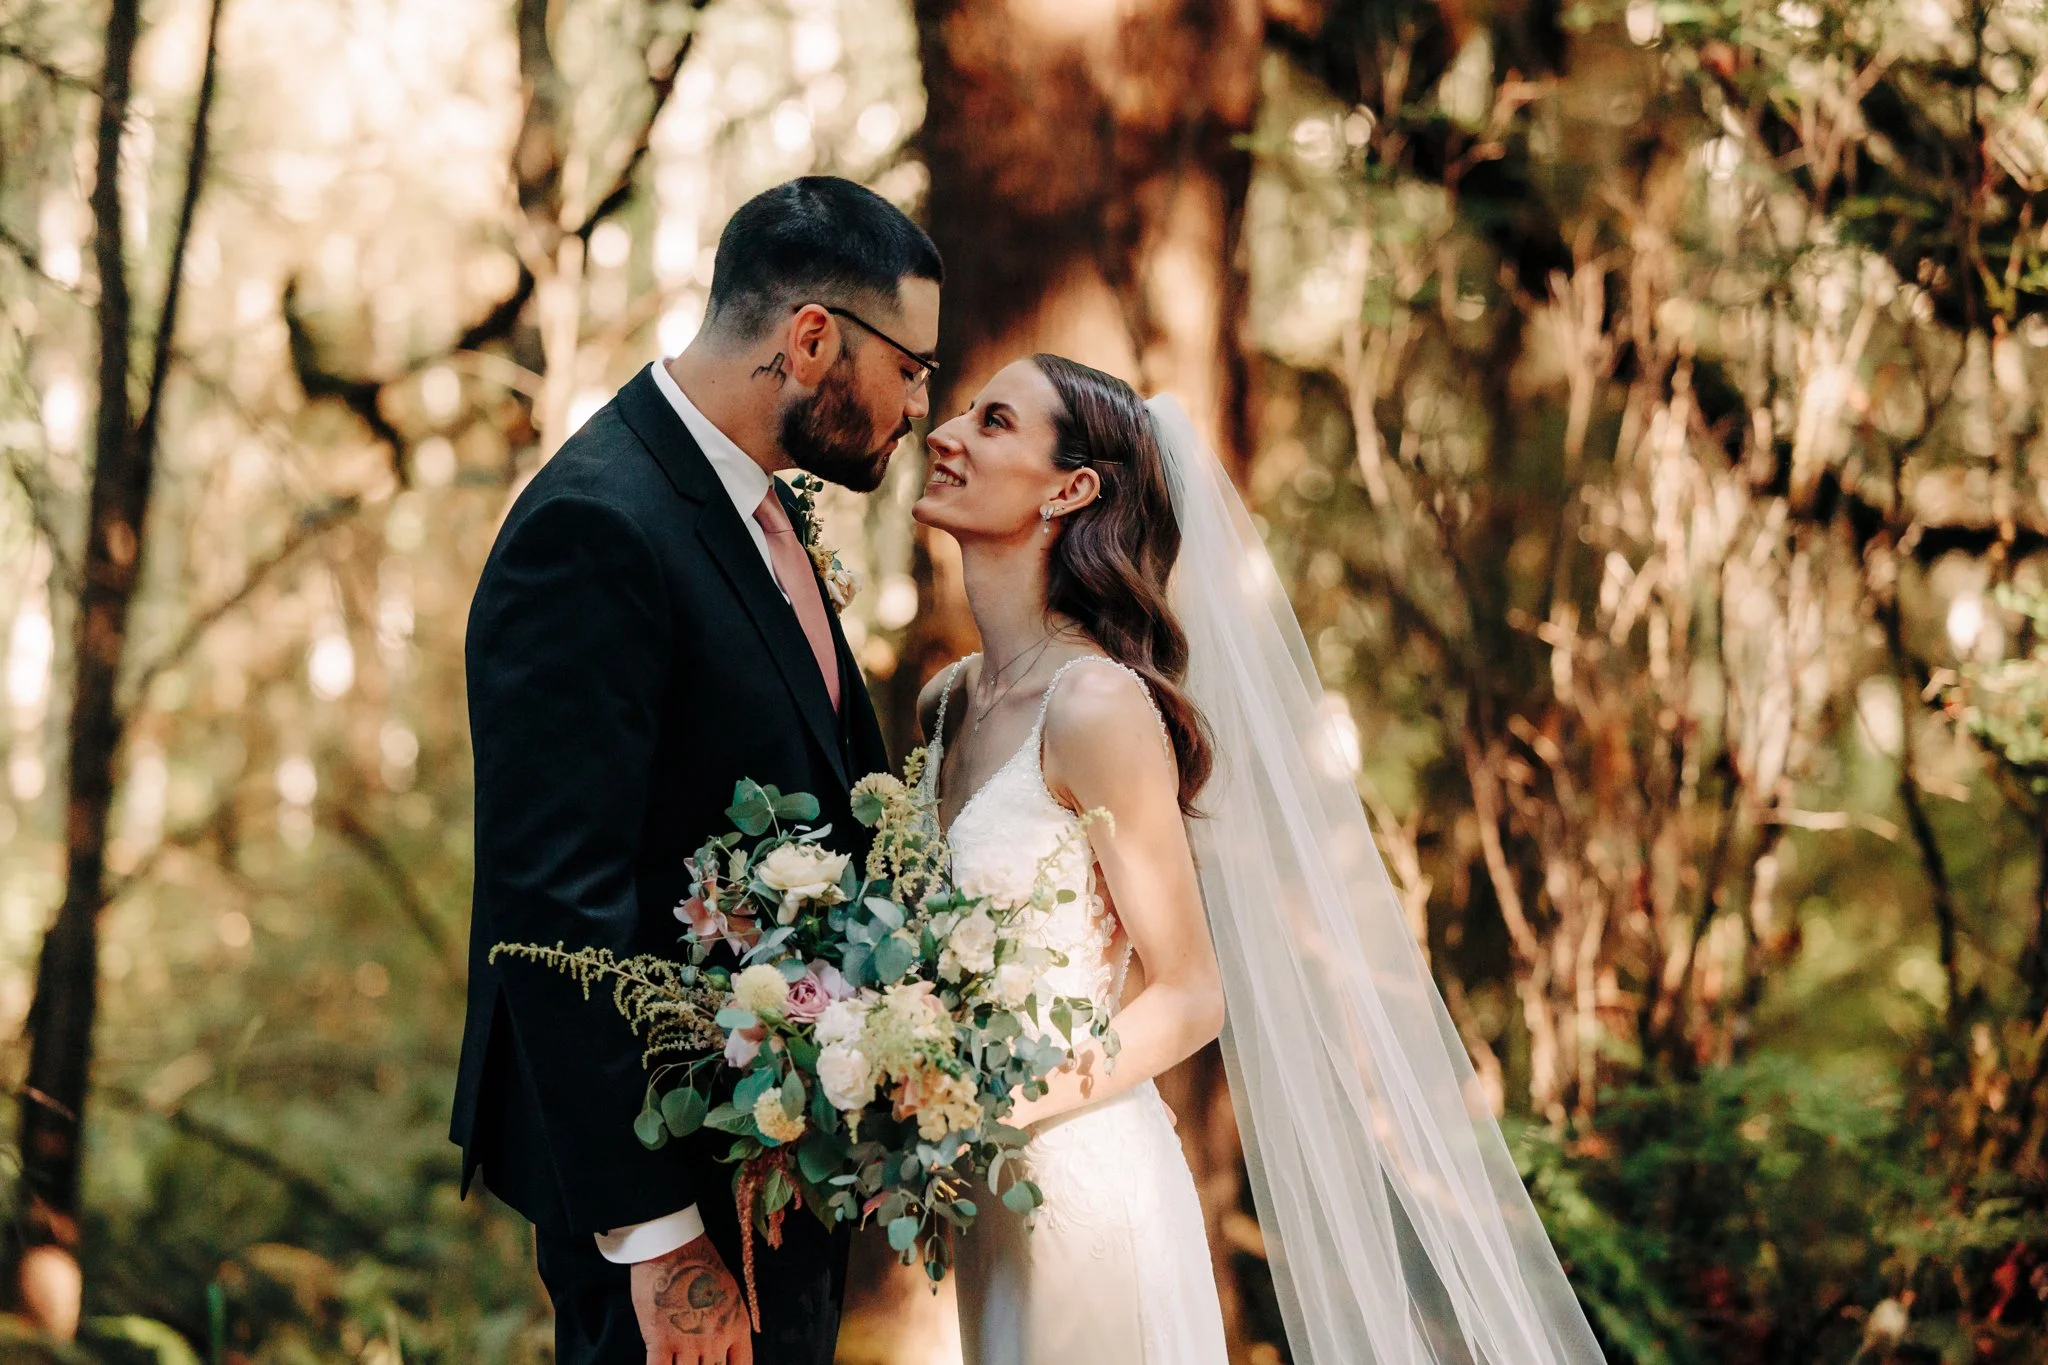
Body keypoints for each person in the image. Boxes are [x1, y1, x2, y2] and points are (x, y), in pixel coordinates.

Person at [913, 356, 1611, 1364]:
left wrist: (982, 1104)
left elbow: (1192, 995)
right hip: (982, 1201)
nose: (945, 434)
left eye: (991, 422)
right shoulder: (950, 701)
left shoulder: (1094, 704)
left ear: (1069, 490)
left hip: (1083, 1197)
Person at [452, 175, 940, 1365]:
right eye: (911, 366)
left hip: (770, 1169)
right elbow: (552, 907)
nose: (920, 404)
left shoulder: (753, 511)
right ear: (810, 338)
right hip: (671, 1194)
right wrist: (660, 1238)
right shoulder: (599, 527)